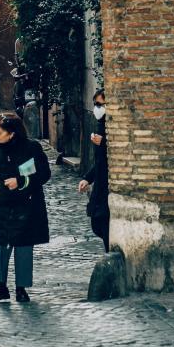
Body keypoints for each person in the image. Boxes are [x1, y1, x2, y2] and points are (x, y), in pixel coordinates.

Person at [0, 113, 51, 303]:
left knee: (23, 246)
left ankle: (21, 289)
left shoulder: (32, 148)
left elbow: (45, 174)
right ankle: (1, 287)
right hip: (5, 204)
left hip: (28, 204)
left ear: (12, 133)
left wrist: (20, 181)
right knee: (0, 244)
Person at [78, 89, 110, 252]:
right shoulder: (100, 125)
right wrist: (87, 178)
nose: (97, 108)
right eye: (95, 104)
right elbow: (99, 161)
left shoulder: (111, 128)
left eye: (100, 104)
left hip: (109, 185)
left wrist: (104, 142)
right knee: (97, 223)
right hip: (100, 184)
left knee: (102, 223)